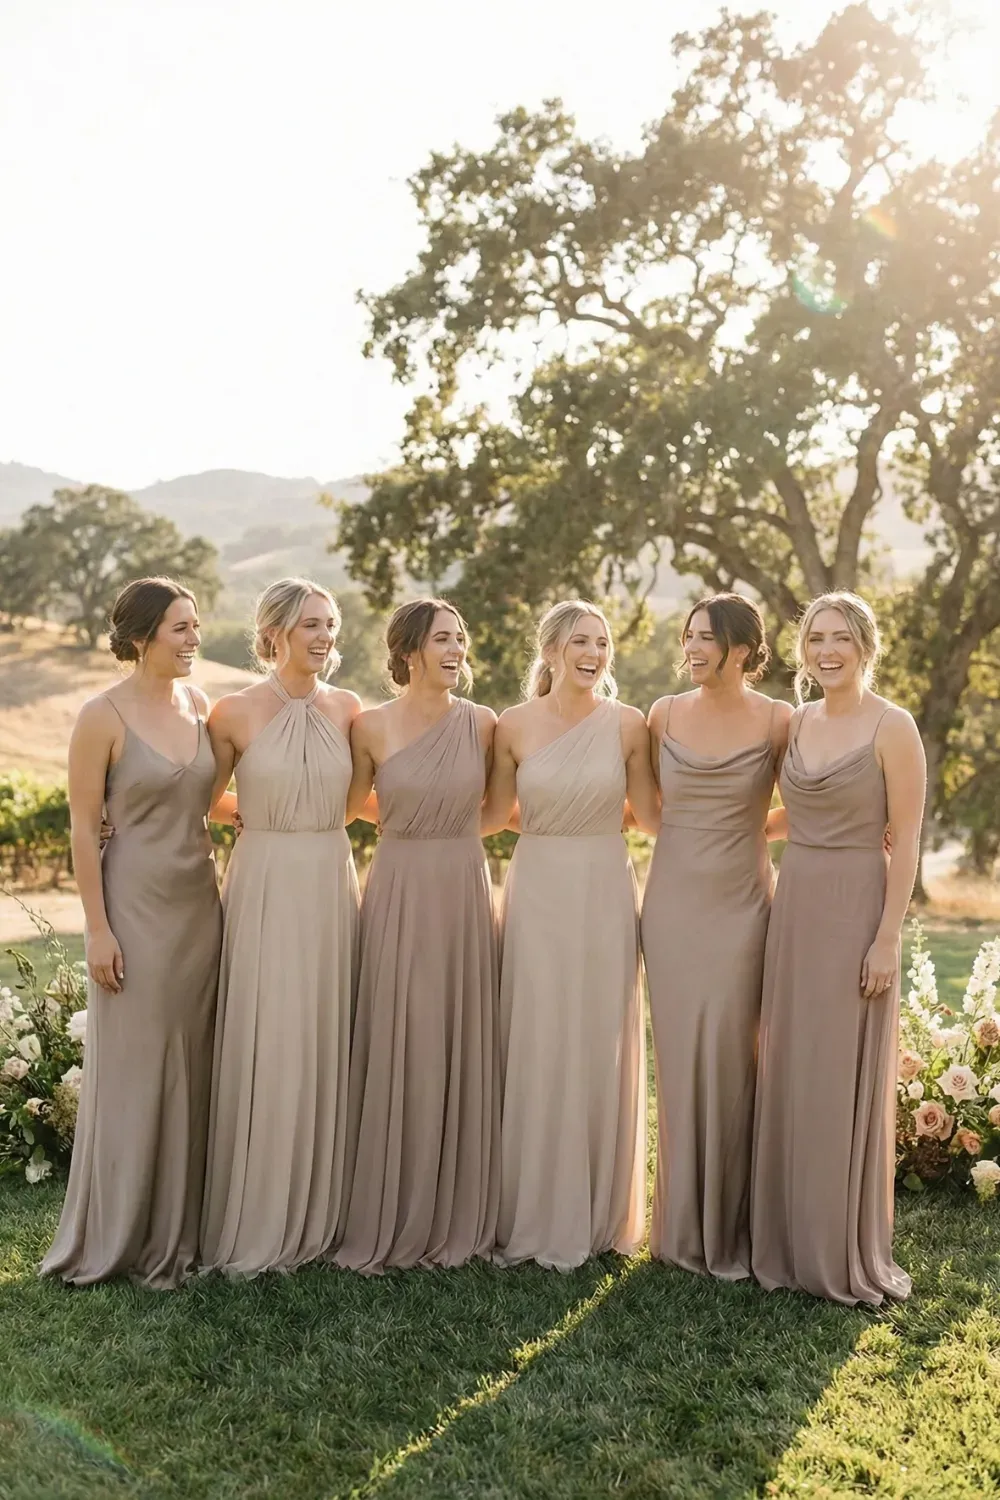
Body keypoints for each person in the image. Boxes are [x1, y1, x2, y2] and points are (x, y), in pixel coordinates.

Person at [41, 577, 223, 1289]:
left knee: (193, 1065)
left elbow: (206, 795)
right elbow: (85, 828)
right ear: (142, 636)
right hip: (133, 907)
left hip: (198, 906)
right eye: (181, 627)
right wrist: (97, 930)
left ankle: (184, 1233)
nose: (194, 639)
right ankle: (120, 1234)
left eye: (197, 625)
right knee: (139, 1070)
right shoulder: (101, 716)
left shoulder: (200, 704)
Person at [751, 591, 924, 1304]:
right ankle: (788, 1239)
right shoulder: (797, 722)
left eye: (841, 637)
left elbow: (906, 835)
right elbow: (799, 810)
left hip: (857, 905)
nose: (827, 649)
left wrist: (887, 938)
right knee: (792, 1062)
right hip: (795, 906)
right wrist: (717, 824)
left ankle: (838, 1246)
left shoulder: (894, 725)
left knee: (838, 1071)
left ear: (865, 644)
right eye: (816, 637)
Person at [483, 600, 657, 1269]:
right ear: (552, 649)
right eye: (581, 640)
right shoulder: (511, 726)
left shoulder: (630, 725)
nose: (594, 652)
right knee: (537, 1033)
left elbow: (653, 819)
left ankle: (598, 1212)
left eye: (602, 642)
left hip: (605, 886)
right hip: (539, 888)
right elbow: (494, 815)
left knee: (597, 1036)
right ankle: (531, 1206)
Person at [199, 579, 361, 1276]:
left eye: (330, 625)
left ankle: (325, 1209)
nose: (324, 637)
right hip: (264, 876)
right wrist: (262, 814)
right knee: (267, 1031)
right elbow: (199, 799)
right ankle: (256, 1208)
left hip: (330, 872)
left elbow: (364, 799)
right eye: (310, 626)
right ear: (274, 635)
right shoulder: (231, 713)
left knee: (324, 1029)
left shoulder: (351, 709)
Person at [334, 598, 500, 1273]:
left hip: (462, 880)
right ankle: (388, 1198)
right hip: (397, 883)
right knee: (399, 1028)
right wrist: (237, 813)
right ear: (408, 652)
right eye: (443, 638)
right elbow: (340, 809)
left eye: (461, 637)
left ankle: (457, 1201)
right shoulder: (367, 727)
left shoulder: (485, 724)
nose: (456, 648)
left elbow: (504, 808)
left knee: (458, 1031)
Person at [641, 594, 791, 1279]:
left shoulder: (779, 720)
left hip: (740, 906)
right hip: (671, 906)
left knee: (733, 1057)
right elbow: (645, 810)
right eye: (689, 636)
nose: (692, 648)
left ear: (741, 649)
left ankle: (732, 1223)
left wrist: (758, 831)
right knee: (676, 1061)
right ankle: (677, 1228)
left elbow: (810, 795)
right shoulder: (662, 714)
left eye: (706, 638)